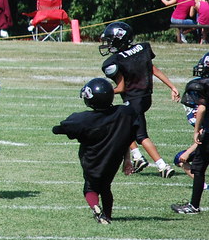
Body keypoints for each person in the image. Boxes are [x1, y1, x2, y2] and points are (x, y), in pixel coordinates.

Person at [53, 78, 140, 224]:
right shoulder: (124, 113)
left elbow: (57, 129)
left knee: (90, 187)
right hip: (113, 159)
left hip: (92, 159)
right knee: (106, 186)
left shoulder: (83, 119)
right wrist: (127, 159)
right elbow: (127, 135)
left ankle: (96, 208)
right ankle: (107, 215)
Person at [99, 21, 180, 177]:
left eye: (110, 40)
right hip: (145, 98)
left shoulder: (115, 61)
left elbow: (121, 88)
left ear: (119, 39)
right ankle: (137, 156)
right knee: (122, 124)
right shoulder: (141, 49)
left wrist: (105, 92)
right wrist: (172, 86)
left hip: (133, 100)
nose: (108, 44)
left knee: (141, 135)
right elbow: (153, 70)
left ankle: (162, 165)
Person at [172, 53, 208, 214]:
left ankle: (193, 205)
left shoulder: (202, 86)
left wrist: (196, 131)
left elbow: (201, 108)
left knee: (199, 168)